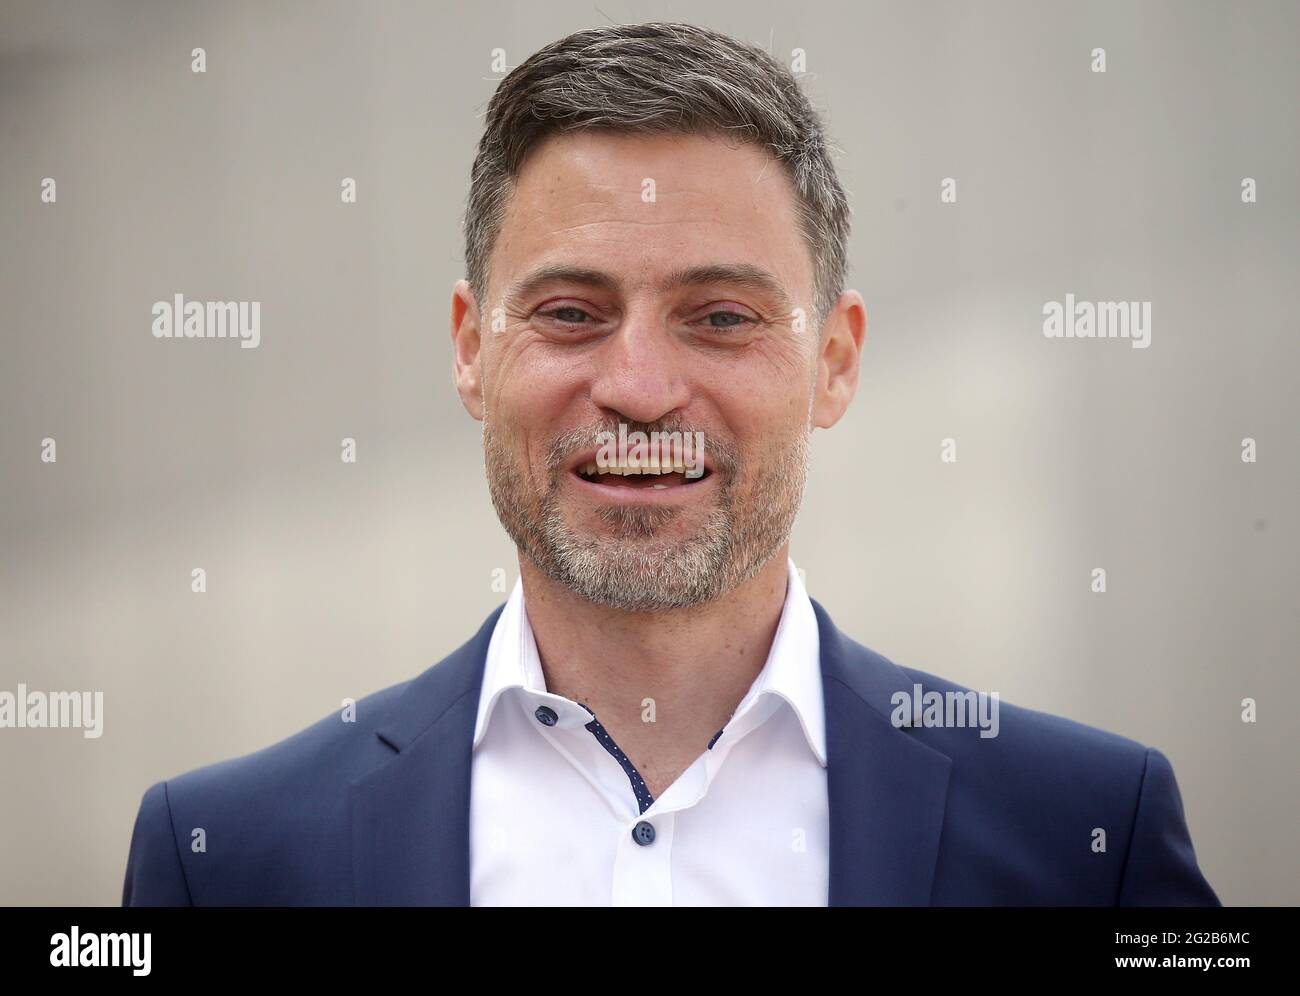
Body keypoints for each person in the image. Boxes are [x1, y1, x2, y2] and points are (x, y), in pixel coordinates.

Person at [123, 21, 1219, 906]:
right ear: (470, 349)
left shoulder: (1087, 839)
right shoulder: (226, 859)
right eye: (568, 312)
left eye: (720, 317)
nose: (639, 387)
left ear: (833, 363)